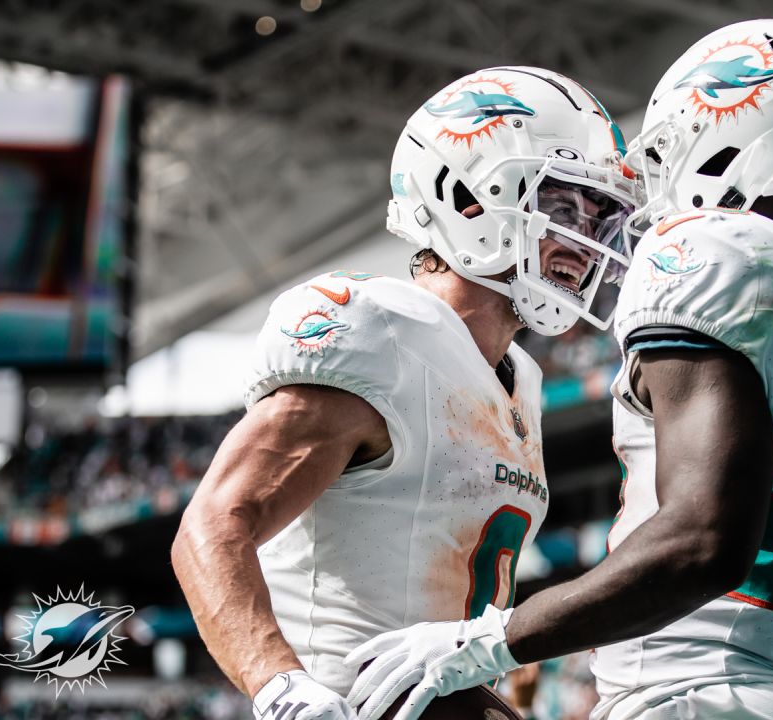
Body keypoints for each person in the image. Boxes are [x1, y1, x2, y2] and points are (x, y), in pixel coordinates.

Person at [346, 20, 773, 720]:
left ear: (736, 132)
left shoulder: (707, 254)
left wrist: (489, 642)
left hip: (691, 699)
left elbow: (703, 540)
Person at [171, 66, 639, 720]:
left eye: (601, 214)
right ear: (467, 198)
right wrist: (278, 684)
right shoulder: (375, 330)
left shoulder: (519, 377)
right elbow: (214, 524)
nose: (587, 242)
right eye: (563, 207)